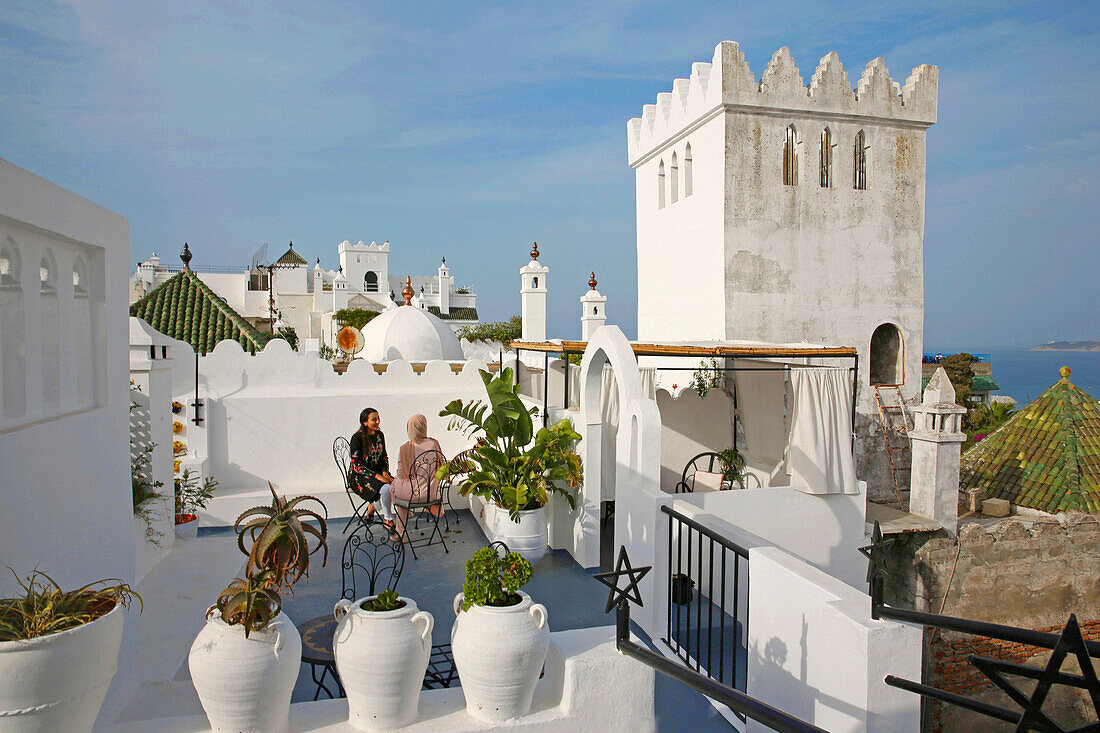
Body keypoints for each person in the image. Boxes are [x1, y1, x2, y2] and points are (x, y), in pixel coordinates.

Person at [388, 414, 445, 540]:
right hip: (433, 494)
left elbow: (402, 475)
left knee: (395, 487)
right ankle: (407, 512)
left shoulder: (405, 448)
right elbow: (442, 467)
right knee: (398, 486)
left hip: (414, 494)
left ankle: (400, 532)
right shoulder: (434, 444)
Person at [349, 407, 393, 529]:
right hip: (361, 476)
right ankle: (388, 520)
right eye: (374, 419)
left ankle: (373, 506)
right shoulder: (356, 438)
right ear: (365, 422)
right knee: (385, 489)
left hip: (379, 473)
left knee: (395, 484)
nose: (378, 421)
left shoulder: (380, 435)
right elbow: (356, 465)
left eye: (378, 418)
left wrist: (385, 473)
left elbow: (384, 457)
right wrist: (377, 476)